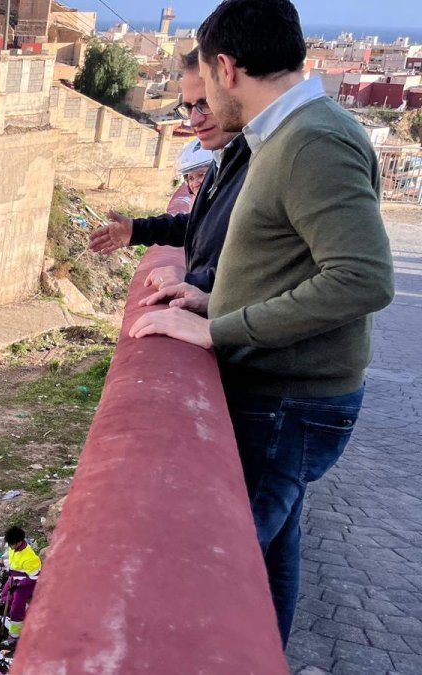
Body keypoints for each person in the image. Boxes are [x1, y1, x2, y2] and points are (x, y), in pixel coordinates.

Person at [132, 0, 394, 645]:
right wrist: (213, 301)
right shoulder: (287, 134)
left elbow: (362, 278)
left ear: (225, 68)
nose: (197, 111)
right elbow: (286, 258)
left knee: (216, 578)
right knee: (269, 558)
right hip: (283, 396)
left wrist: (222, 330)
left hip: (289, 402)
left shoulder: (313, 139)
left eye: (203, 89)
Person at [88, 48, 251, 293]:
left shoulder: (259, 165)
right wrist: (137, 230)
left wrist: (196, 282)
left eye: (204, 104)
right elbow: (202, 226)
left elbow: (268, 274)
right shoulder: (227, 158)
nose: (194, 120)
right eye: (189, 107)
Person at [0, 526, 41, 643]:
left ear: (18, 543)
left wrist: (18, 585)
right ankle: (24, 608)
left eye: (11, 544)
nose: (10, 547)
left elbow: (34, 577)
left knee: (16, 609)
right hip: (14, 578)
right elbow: (14, 561)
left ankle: (14, 635)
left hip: (25, 584)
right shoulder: (13, 548)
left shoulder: (30, 558)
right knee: (4, 596)